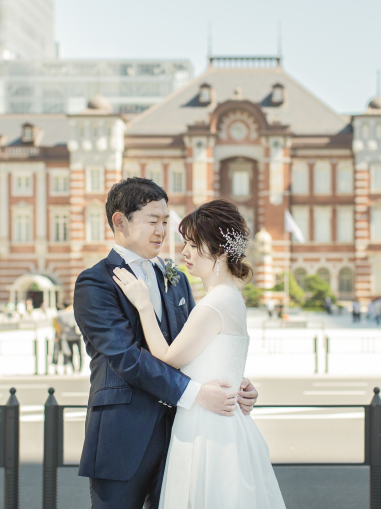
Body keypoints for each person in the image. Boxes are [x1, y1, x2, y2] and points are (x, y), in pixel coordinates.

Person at [73, 179, 261, 509]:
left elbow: (195, 348)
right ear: (120, 221)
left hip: (183, 434)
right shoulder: (95, 282)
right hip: (124, 436)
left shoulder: (175, 278)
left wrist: (234, 382)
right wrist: (196, 393)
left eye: (165, 221)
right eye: (152, 220)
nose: (163, 230)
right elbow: (126, 358)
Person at [111, 198, 284, 508]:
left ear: (218, 250)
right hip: (221, 420)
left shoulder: (213, 304)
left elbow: (166, 357)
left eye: (192, 243)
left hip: (207, 426)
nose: (184, 252)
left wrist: (143, 304)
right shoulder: (230, 298)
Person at [56, 300, 82, 373]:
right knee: (80, 353)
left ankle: (73, 368)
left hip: (67, 336)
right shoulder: (74, 313)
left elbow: (59, 327)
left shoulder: (60, 314)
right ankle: (80, 368)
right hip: (77, 335)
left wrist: (58, 336)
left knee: (70, 353)